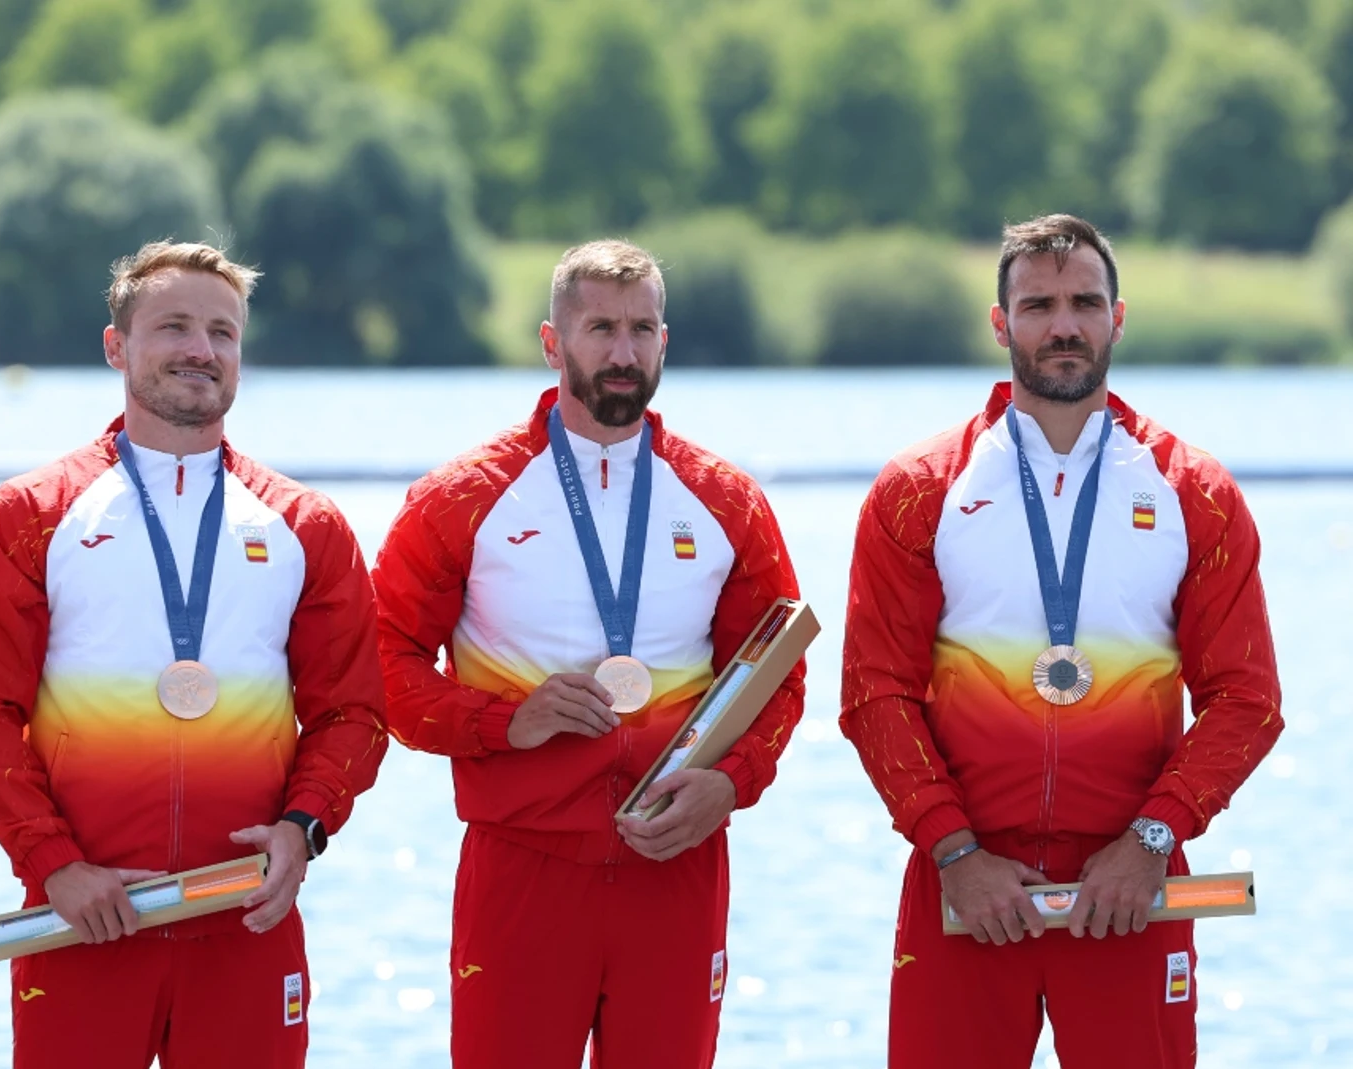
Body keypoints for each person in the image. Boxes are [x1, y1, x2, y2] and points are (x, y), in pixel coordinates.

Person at [840, 214, 1283, 1068]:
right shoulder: (919, 491)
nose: (1064, 325)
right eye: (1038, 305)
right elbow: (873, 694)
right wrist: (956, 850)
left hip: (1131, 891)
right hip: (967, 886)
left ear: (1119, 317)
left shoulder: (1193, 491)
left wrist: (1152, 839)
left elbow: (1247, 700)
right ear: (1001, 324)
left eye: (1085, 301)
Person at [0, 241, 387, 1069]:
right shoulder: (29, 516)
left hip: (246, 916)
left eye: (223, 332)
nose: (200, 349)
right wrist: (54, 864)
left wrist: (303, 829)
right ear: (118, 348)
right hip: (84, 913)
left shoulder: (305, 524)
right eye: (174, 326)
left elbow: (352, 712)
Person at [372, 240, 804, 1068]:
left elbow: (781, 675)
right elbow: (375, 667)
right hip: (525, 866)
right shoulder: (461, 498)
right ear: (551, 342)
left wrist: (732, 782)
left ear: (664, 344)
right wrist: (503, 722)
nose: (622, 351)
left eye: (642, 329)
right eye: (600, 327)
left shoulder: (726, 500)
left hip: (675, 861)